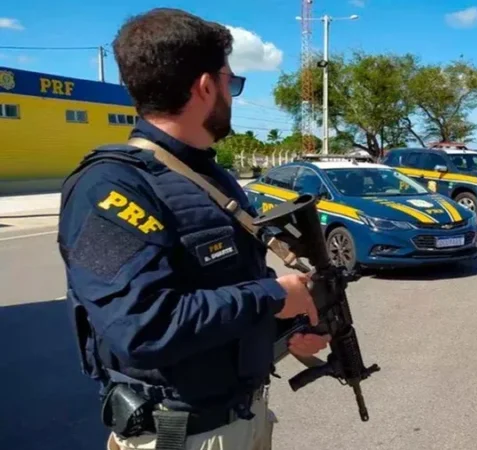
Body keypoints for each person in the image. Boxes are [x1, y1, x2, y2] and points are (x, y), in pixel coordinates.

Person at [56, 8, 329, 450]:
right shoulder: (110, 187)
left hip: (245, 415)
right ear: (206, 86)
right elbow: (143, 326)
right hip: (181, 435)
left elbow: (225, 289)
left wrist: (288, 328)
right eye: (232, 82)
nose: (232, 94)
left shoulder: (208, 176)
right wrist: (274, 296)